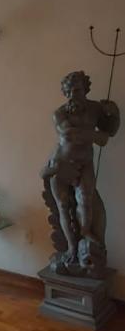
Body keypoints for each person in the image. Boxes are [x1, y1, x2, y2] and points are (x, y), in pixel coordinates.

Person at [42, 71, 120, 274]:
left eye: (76, 90)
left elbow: (110, 130)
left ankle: (86, 233)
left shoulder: (95, 108)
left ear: (85, 89)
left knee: (86, 198)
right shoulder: (59, 113)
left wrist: (114, 114)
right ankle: (72, 248)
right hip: (61, 164)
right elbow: (68, 133)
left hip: (85, 162)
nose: (72, 95)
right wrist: (96, 136)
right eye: (68, 92)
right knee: (63, 207)